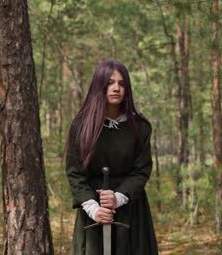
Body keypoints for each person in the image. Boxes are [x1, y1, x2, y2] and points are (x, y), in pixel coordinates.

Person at [65, 60, 158, 255]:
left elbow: (142, 170)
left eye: (122, 83)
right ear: (99, 86)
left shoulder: (139, 127)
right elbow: (75, 173)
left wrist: (118, 197)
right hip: (93, 209)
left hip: (131, 209)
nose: (116, 88)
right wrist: (94, 209)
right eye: (110, 82)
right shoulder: (81, 127)